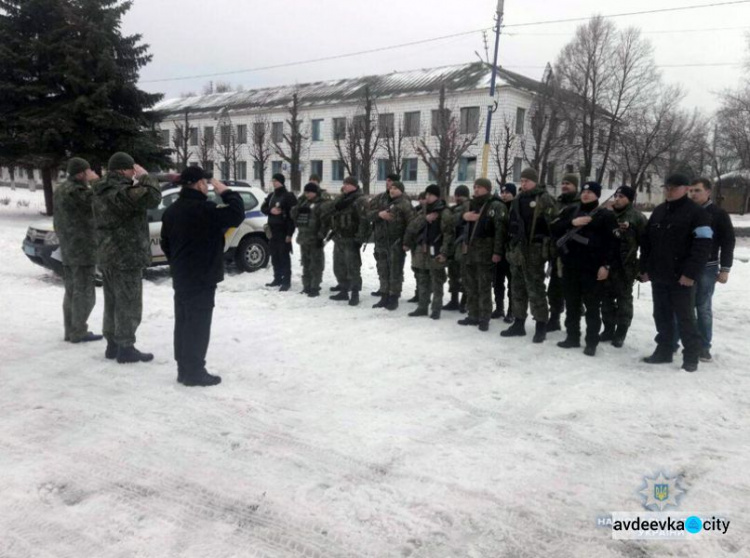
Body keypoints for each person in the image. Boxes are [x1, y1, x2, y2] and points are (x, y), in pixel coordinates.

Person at [160, 167, 244, 386]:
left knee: (184, 321)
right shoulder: (205, 209)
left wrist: (178, 263)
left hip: (182, 275)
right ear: (198, 184)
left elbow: (164, 243)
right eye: (205, 183)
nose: (207, 186)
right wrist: (226, 192)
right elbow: (237, 213)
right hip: (202, 276)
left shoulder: (172, 210)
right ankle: (194, 371)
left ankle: (183, 368)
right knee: (198, 324)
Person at [92, 152, 161, 363]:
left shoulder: (100, 190)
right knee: (129, 302)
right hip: (126, 256)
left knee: (112, 302)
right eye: (131, 169)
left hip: (108, 255)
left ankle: (112, 345)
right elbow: (153, 198)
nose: (134, 172)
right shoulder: (121, 191)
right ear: (122, 170)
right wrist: (145, 176)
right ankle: (126, 347)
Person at [640, 173, 712, 372]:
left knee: (685, 317)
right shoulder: (659, 211)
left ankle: (691, 356)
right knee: (661, 315)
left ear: (685, 188)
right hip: (659, 274)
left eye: (674, 187)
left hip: (682, 277)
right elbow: (646, 243)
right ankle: (664, 350)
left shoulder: (697, 213)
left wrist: (690, 273)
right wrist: (644, 268)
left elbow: (703, 246)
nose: (669, 190)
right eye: (667, 186)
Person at [551, 182, 618, 356]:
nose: (586, 195)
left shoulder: (605, 216)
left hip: (593, 268)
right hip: (571, 266)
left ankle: (591, 342)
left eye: (590, 192)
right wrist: (572, 222)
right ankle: (572, 337)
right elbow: (553, 228)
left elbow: (612, 244)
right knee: (572, 305)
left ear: (597, 195)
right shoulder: (570, 211)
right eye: (584, 191)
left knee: (592, 307)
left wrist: (606, 265)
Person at [502, 168, 558, 343]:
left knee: (535, 289)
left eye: (527, 180)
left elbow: (553, 227)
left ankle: (541, 325)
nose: (523, 183)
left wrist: (548, 251)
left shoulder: (544, 199)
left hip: (534, 252)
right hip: (517, 250)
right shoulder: (518, 199)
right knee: (517, 288)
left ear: (535, 181)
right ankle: (519, 323)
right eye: (522, 180)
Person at [53, 157, 102, 343]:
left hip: (67, 249)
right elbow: (99, 200)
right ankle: (78, 331)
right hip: (82, 250)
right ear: (81, 173)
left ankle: (70, 329)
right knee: (85, 293)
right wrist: (95, 181)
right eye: (87, 171)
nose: (89, 174)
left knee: (72, 291)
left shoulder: (61, 189)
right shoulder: (78, 191)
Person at [688, 177, 736, 362]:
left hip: (707, 268)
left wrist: (725, 268)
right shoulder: (686, 211)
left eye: (697, 190)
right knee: (682, 306)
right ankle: (677, 341)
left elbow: (728, 241)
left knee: (703, 307)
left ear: (708, 192)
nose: (693, 194)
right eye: (691, 190)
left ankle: (703, 346)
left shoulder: (718, 213)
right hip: (685, 266)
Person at [600, 185, 647, 348]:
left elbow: (646, 244)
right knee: (605, 299)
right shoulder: (606, 215)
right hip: (606, 265)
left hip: (626, 267)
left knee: (624, 301)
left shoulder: (637, 217)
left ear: (630, 199)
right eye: (616, 196)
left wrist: (643, 267)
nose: (617, 199)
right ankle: (607, 328)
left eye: (622, 197)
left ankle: (621, 332)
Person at [457, 178, 507, 332]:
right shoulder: (470, 204)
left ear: (487, 188)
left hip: (486, 251)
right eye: (474, 187)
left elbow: (501, 230)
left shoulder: (496, 205)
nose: (476, 189)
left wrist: (497, 252)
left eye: (479, 187)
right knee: (470, 285)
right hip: (470, 251)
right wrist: (464, 217)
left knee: (484, 285)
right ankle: (473, 314)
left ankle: (484, 317)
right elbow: (453, 218)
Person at [403, 185, 455, 319]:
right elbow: (412, 227)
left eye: (430, 195)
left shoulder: (444, 212)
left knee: (437, 281)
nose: (427, 197)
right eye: (426, 194)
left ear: (437, 196)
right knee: (422, 279)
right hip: (422, 249)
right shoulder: (422, 211)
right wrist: (425, 219)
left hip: (436, 250)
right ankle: (422, 306)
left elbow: (448, 235)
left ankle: (436, 309)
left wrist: (444, 253)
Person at [328, 176, 370, 306]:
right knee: (339, 266)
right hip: (339, 237)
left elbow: (364, 221)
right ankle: (344, 290)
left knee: (353, 268)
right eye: (344, 183)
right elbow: (333, 211)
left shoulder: (360, 200)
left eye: (347, 184)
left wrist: (360, 238)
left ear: (354, 185)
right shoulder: (342, 199)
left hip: (351, 238)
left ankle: (355, 293)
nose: (344, 186)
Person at [371, 180, 413, 310]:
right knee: (383, 270)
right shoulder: (382, 202)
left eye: (395, 188)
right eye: (391, 188)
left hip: (396, 243)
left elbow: (411, 225)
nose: (392, 190)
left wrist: (406, 242)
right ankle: (384, 296)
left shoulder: (405, 204)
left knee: (395, 271)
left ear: (401, 190)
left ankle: (393, 298)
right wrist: (379, 214)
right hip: (381, 243)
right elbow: (367, 215)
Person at [547, 173, 581, 332]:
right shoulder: (557, 203)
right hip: (557, 251)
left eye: (568, 183)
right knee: (554, 288)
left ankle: (574, 324)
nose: (565, 185)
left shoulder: (582, 203)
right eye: (563, 183)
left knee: (574, 290)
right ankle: (554, 318)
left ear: (576, 186)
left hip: (576, 254)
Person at [291, 182, 332, 297]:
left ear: (315, 192)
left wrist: (321, 236)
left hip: (315, 239)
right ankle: (306, 286)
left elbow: (325, 223)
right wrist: (298, 207)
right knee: (305, 263)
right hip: (303, 238)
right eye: (306, 192)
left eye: (309, 192)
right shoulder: (303, 203)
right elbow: (293, 215)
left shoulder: (321, 204)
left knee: (316, 264)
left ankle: (315, 287)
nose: (307, 194)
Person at [260, 173, 298, 291]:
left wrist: (289, 234)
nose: (274, 182)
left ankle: (286, 281)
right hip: (272, 231)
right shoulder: (271, 195)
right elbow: (263, 208)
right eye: (273, 180)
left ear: (281, 181)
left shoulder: (288, 196)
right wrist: (270, 211)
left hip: (283, 230)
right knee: (275, 256)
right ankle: (277, 278)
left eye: (276, 181)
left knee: (284, 256)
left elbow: (293, 216)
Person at [443, 185, 471, 312]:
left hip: (463, 245)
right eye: (457, 195)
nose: (458, 197)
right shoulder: (455, 208)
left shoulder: (467, 206)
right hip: (454, 245)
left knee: (464, 275)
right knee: (453, 274)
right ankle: (455, 301)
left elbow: (452, 221)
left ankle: (463, 302)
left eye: (459, 195)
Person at [492, 183, 516, 322]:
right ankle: (499, 308)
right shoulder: (497, 207)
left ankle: (511, 311)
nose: (504, 194)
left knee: (512, 283)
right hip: (497, 250)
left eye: (507, 192)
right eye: (503, 192)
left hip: (511, 251)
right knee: (497, 281)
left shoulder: (516, 208)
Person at [407, 192, 428, 303]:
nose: (421, 201)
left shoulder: (428, 212)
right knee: (416, 270)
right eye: (420, 199)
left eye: (423, 199)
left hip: (424, 244)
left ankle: (424, 294)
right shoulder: (416, 211)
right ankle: (418, 293)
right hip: (415, 244)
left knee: (422, 271)